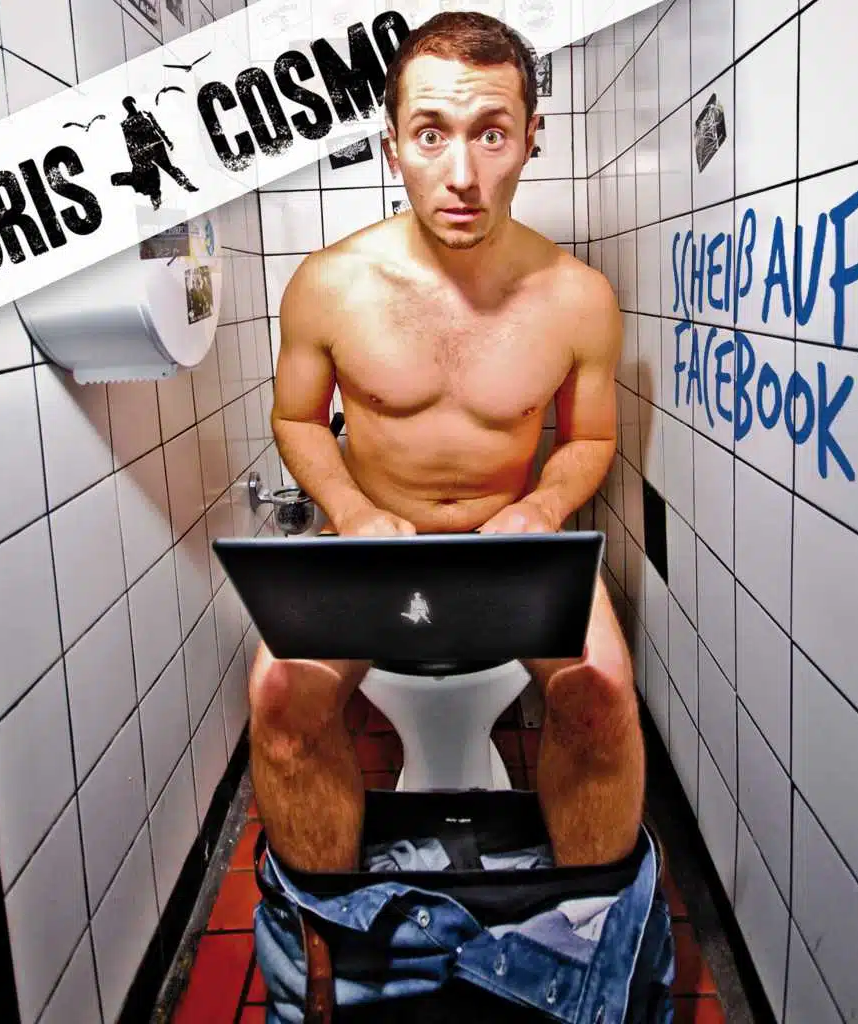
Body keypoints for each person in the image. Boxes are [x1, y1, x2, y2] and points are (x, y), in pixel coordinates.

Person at [249, 10, 645, 875]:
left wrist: (544, 508)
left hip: (511, 546)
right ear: (392, 146)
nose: (461, 175)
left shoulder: (577, 297)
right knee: (280, 701)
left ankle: (584, 928)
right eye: (430, 134)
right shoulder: (328, 284)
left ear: (531, 139)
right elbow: (296, 418)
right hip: (371, 546)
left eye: (491, 134)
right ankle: (327, 930)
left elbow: (591, 438)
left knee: (603, 694)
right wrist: (350, 509)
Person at [110, 96, 198, 209]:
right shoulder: (137, 120)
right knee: (165, 170)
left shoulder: (128, 124)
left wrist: (166, 141)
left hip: (146, 149)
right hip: (151, 147)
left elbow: (131, 144)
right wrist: (167, 141)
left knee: (155, 175)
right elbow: (155, 128)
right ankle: (185, 185)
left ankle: (181, 187)